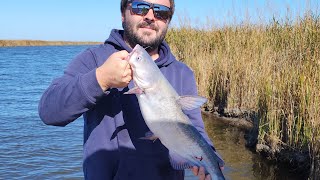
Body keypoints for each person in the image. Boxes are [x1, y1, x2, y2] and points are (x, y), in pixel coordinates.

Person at [38, 0, 224, 179]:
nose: (151, 16)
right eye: (140, 7)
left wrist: (209, 160)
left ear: (168, 20)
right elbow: (49, 112)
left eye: (161, 12)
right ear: (123, 13)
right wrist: (100, 79)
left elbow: (194, 127)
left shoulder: (182, 73)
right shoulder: (94, 59)